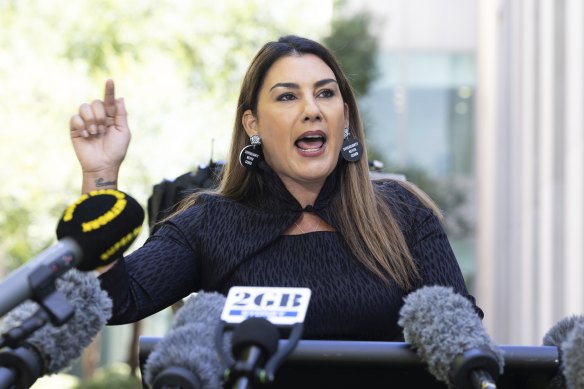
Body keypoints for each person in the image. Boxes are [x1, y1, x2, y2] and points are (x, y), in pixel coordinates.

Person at [69, 35, 482, 341]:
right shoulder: (207, 222)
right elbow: (116, 301)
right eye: (287, 97)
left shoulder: (403, 213)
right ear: (253, 123)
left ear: (346, 116)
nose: (312, 110)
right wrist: (100, 175)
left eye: (326, 93)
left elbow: (460, 333)